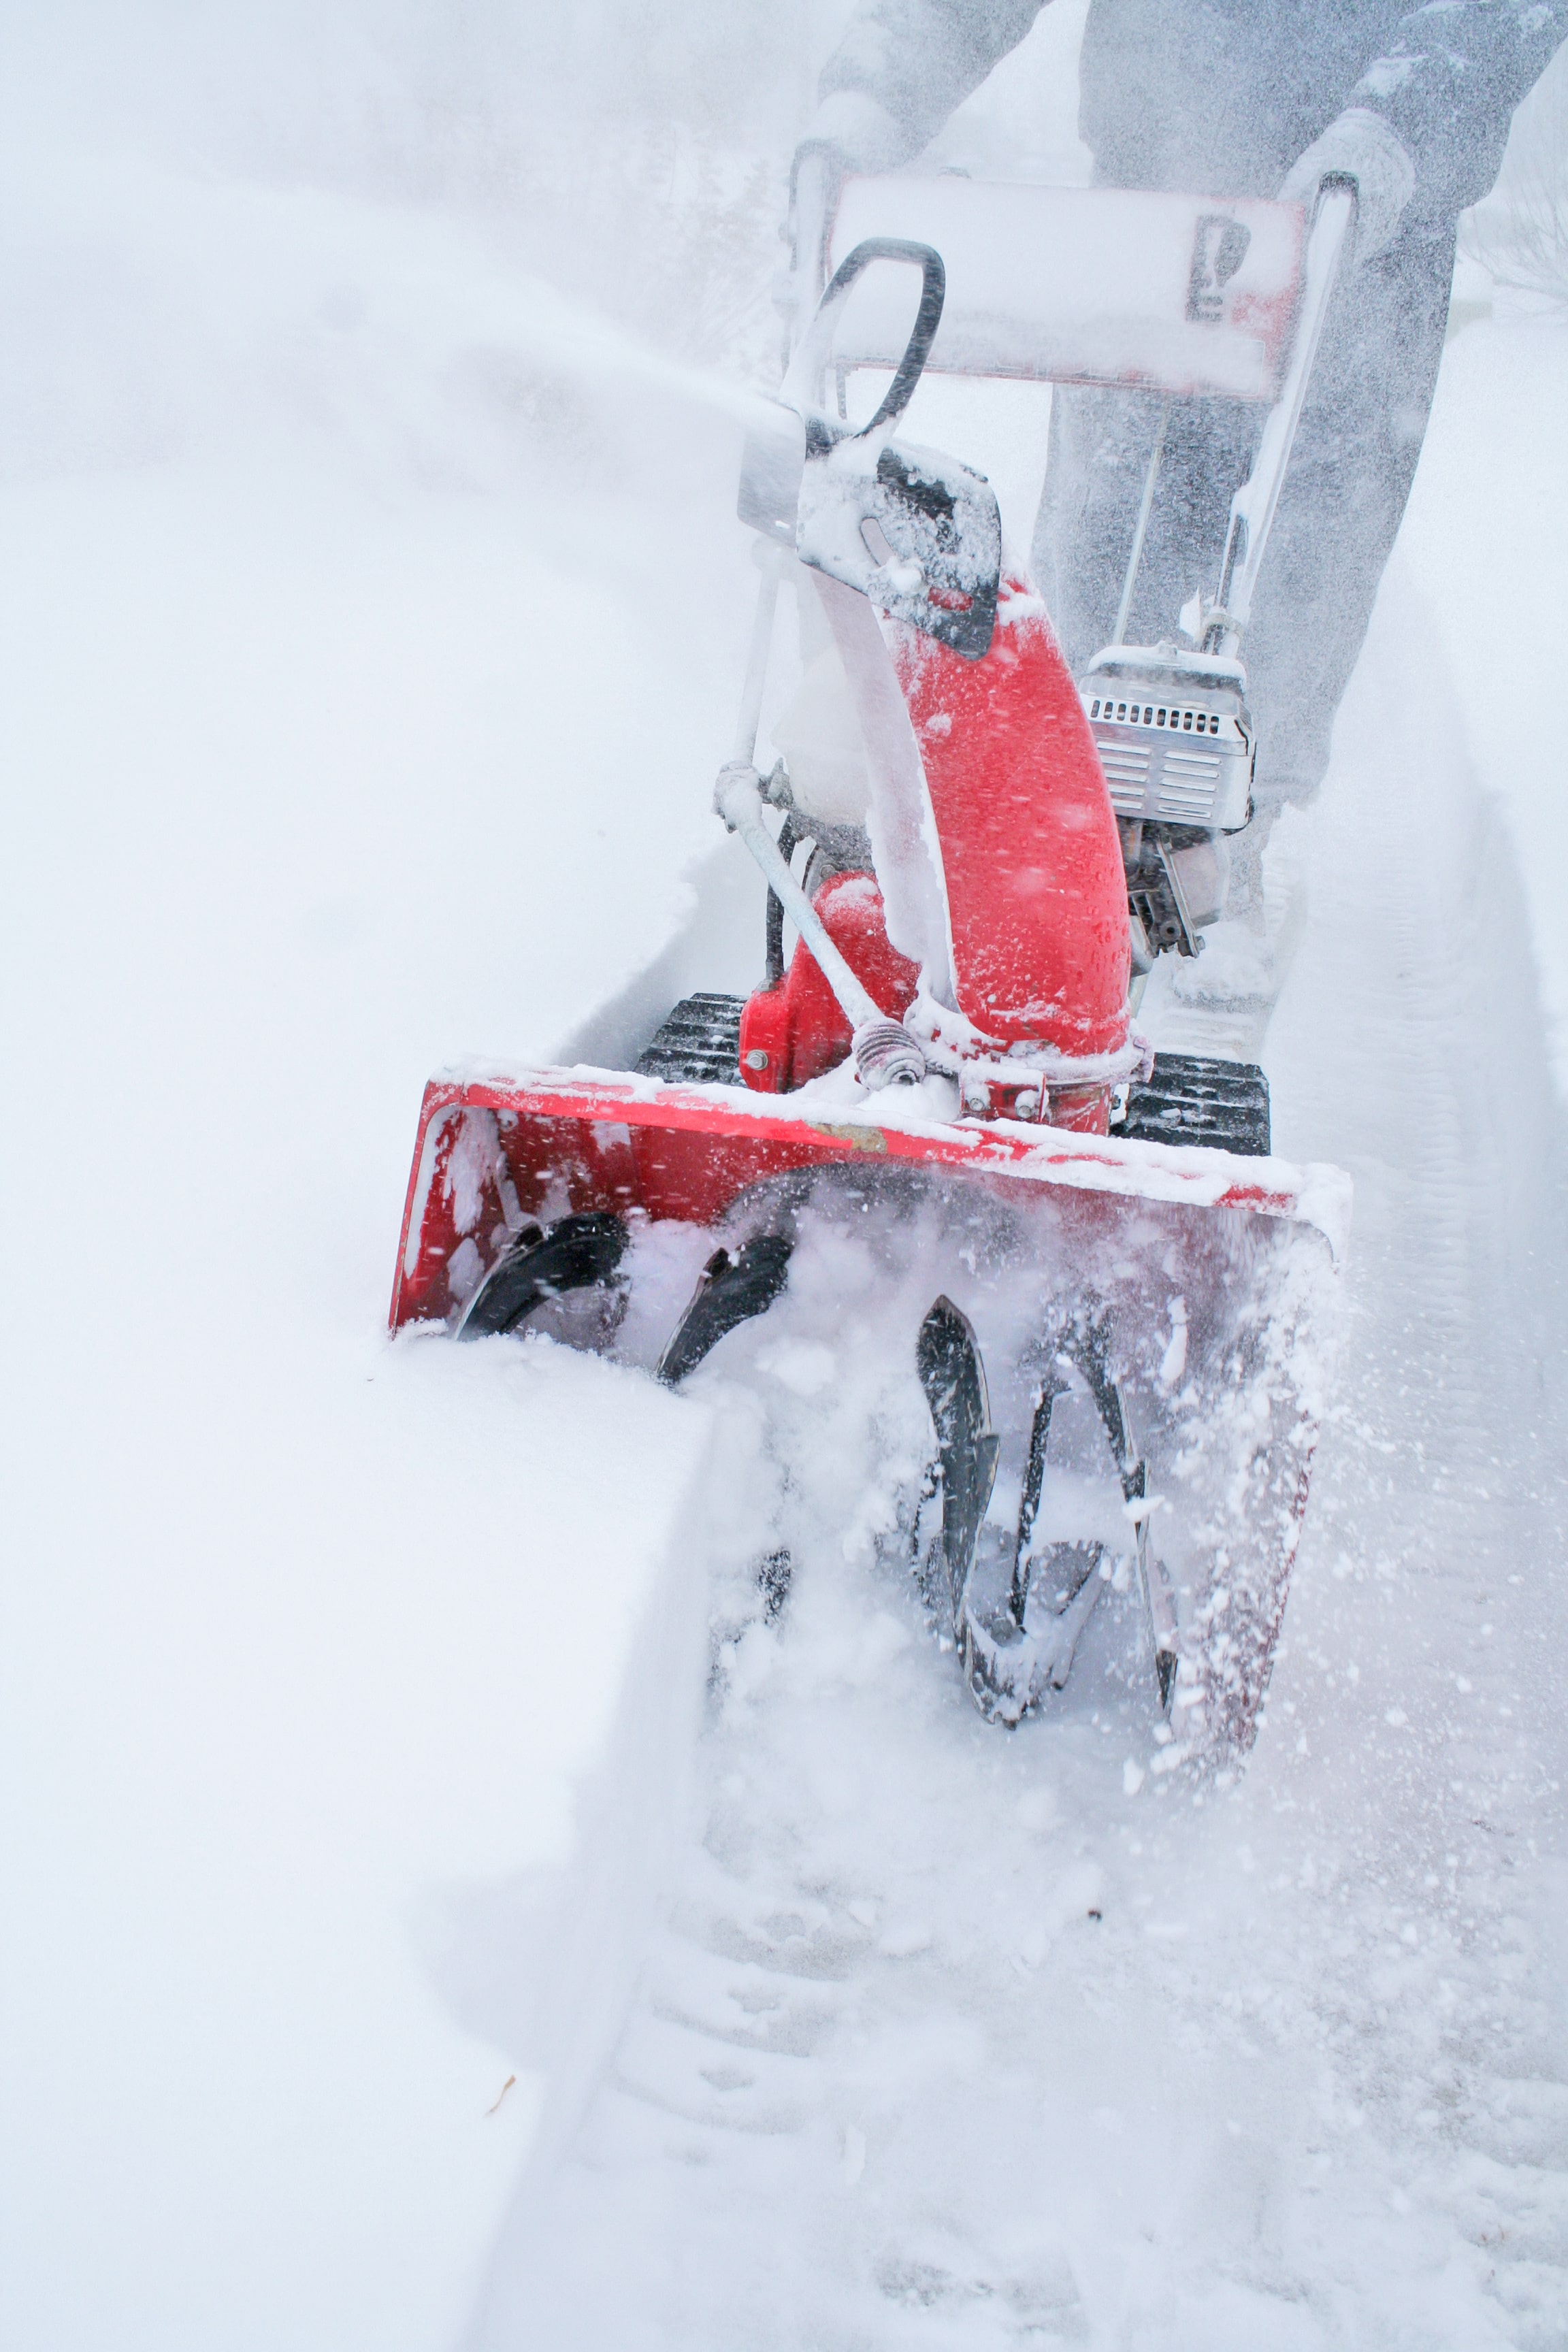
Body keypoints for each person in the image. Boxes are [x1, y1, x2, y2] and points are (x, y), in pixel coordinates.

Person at [796, 1, 1567, 840]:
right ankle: (1069, 830)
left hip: (1363, 231)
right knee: (1104, 544)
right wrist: (877, 90)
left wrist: (1398, 124)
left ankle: (1234, 837)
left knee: (1296, 565)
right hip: (1152, 205)